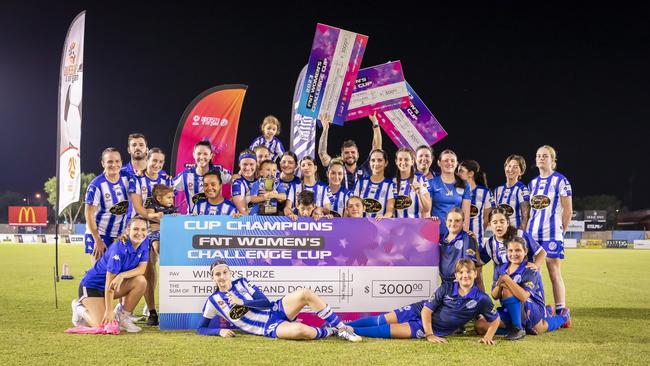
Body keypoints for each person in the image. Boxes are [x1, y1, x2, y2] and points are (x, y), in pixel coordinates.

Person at [196, 260, 361, 342]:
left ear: (230, 273)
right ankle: (331, 331)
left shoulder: (242, 282)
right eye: (217, 274)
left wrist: (243, 302)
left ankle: (342, 328)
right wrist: (219, 331)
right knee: (301, 331)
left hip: (275, 309)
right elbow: (201, 328)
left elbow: (265, 302)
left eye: (225, 272)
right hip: (267, 326)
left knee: (305, 293)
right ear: (213, 279)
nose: (222, 277)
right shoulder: (213, 301)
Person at [347, 259, 499, 344]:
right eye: (461, 272)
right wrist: (429, 335)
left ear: (475, 273)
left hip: (430, 327)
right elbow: (427, 310)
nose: (465, 275)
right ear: (456, 275)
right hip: (419, 311)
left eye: (468, 272)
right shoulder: (446, 287)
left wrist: (488, 336)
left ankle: (345, 332)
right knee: (380, 320)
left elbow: (495, 320)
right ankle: (341, 327)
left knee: (385, 332)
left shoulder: (482, 298)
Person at [475, 237, 571, 340]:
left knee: (540, 327)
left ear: (525, 251)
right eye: (510, 250)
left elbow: (524, 296)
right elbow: (494, 296)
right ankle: (517, 328)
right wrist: (499, 284)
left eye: (518, 250)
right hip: (509, 308)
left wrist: (507, 280)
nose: (514, 254)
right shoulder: (500, 268)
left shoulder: (530, 269)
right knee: (480, 325)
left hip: (533, 307)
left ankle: (563, 317)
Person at [71, 217, 150, 333]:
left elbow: (141, 269)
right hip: (92, 287)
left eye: (143, 230)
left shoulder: (144, 243)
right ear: (128, 230)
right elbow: (109, 283)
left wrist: (122, 275)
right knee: (104, 328)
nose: (140, 233)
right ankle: (79, 309)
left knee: (141, 281)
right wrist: (109, 311)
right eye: (136, 229)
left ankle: (123, 318)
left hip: (113, 285)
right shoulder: (119, 249)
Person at [527, 145, 572, 314]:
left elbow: (568, 210)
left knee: (553, 270)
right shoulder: (532, 184)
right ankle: (540, 308)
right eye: (539, 155)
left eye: (545, 156)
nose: (541, 158)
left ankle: (561, 309)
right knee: (534, 271)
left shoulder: (561, 180)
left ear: (553, 160)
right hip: (533, 234)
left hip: (552, 233)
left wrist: (561, 232)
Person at [84, 148, 131, 263]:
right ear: (103, 163)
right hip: (99, 234)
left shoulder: (128, 178)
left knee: (117, 275)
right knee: (99, 274)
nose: (114, 164)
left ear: (121, 162)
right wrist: (97, 240)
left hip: (119, 235)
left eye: (117, 161)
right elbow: (89, 214)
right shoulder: (96, 185)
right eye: (110, 162)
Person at [481, 207, 546, 286]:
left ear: (507, 223)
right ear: (490, 224)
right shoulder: (490, 244)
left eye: (502, 222)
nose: (499, 225)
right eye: (495, 222)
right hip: (505, 287)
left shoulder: (520, 235)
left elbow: (541, 252)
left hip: (527, 285)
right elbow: (478, 262)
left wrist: (536, 265)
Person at [140, 184, 176, 326]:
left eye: (172, 197)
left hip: (166, 234)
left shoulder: (171, 207)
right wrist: (156, 216)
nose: (172, 200)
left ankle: (157, 311)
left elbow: (173, 220)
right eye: (169, 197)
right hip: (151, 235)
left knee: (153, 272)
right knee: (148, 271)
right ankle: (151, 311)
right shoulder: (151, 202)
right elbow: (148, 215)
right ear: (159, 198)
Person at [318, 113, 382, 190]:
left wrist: (375, 123)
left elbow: (377, 148)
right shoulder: (336, 170)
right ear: (342, 155)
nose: (350, 155)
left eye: (353, 152)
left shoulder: (366, 169)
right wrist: (325, 128)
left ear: (358, 154)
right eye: (346, 153)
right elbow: (322, 153)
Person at [173, 140, 232, 214]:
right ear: (194, 154)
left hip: (215, 218)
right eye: (199, 153)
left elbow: (236, 182)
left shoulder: (219, 172)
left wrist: (235, 200)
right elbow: (168, 188)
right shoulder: (185, 175)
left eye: (205, 154)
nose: (201, 157)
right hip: (193, 219)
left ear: (211, 156)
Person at [428, 149, 471, 239]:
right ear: (439, 163)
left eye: (452, 161)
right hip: (436, 233)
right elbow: (427, 210)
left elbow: (466, 214)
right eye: (446, 160)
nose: (449, 163)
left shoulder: (465, 185)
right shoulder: (431, 183)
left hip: (456, 234)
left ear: (456, 164)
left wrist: (464, 236)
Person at [438, 208, 483, 291]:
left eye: (457, 221)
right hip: (444, 285)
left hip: (460, 286)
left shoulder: (467, 238)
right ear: (445, 221)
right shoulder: (441, 240)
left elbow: (469, 266)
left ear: (463, 222)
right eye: (450, 220)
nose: (453, 223)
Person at [128, 147, 172, 220]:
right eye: (154, 160)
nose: (157, 164)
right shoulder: (136, 179)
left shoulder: (167, 180)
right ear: (147, 160)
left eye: (161, 162)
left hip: (159, 224)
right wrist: (157, 220)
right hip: (138, 223)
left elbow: (170, 205)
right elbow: (138, 208)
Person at [352, 149, 395, 220]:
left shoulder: (390, 185)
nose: (376, 163)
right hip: (360, 226)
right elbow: (354, 207)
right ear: (369, 163)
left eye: (380, 160)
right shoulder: (360, 183)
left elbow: (390, 211)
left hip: (380, 226)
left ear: (386, 163)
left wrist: (384, 217)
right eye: (373, 160)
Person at [457, 160, 493, 244]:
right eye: (458, 171)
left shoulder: (485, 192)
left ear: (471, 174)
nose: (458, 174)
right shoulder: (456, 191)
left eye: (461, 171)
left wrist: (478, 233)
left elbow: (487, 218)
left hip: (477, 240)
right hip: (458, 240)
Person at [493, 155, 530, 230]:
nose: (511, 169)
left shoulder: (522, 189)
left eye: (515, 167)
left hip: (515, 235)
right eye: (509, 166)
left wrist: (519, 235)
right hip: (500, 234)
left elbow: (525, 217)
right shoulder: (498, 190)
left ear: (521, 172)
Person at [393, 147, 431, 218]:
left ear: (412, 162)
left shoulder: (420, 179)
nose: (403, 162)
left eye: (406, 159)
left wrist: (419, 192)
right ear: (396, 162)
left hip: (416, 227)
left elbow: (427, 209)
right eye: (400, 159)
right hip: (397, 227)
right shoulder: (392, 182)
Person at [231, 150, 257, 215]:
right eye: (244, 164)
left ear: (256, 164)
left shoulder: (259, 181)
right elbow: (243, 211)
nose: (248, 168)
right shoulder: (238, 183)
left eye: (251, 164)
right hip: (249, 221)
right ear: (239, 165)